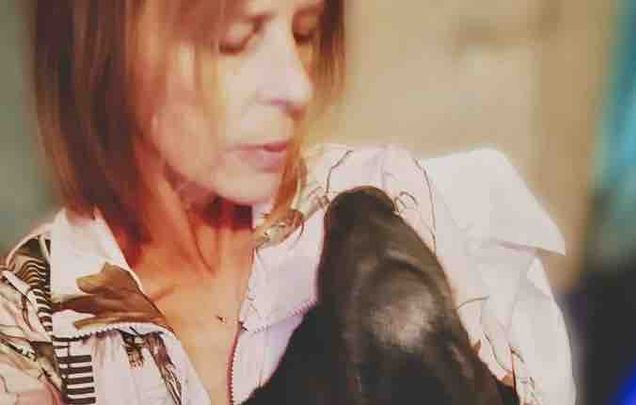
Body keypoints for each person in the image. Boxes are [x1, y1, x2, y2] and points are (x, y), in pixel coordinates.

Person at [0, 0, 574, 404]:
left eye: (304, 32)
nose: (297, 85)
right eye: (235, 40)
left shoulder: (378, 200)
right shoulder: (30, 317)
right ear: (104, 47)